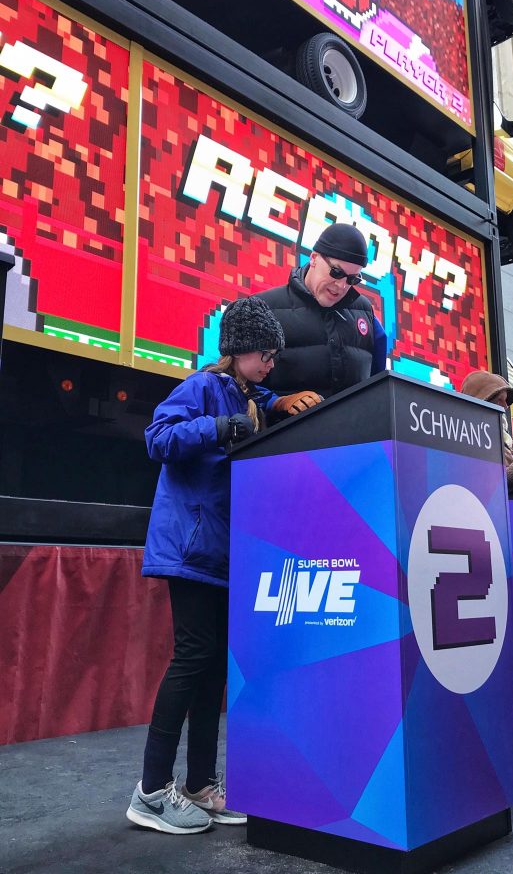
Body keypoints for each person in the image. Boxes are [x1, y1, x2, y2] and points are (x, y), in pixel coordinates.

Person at [127, 297, 316, 834]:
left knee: (211, 668)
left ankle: (199, 784)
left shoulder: (250, 394)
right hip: (190, 551)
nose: (271, 364)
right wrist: (217, 428)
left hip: (225, 554)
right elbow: (157, 440)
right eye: (265, 355)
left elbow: (265, 402)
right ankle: (150, 791)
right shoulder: (200, 389)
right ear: (237, 351)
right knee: (191, 660)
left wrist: (277, 405)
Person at [255, 222, 387, 403]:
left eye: (352, 279)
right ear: (314, 258)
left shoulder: (366, 315)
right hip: (284, 429)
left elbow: (379, 391)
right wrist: (278, 403)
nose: (341, 286)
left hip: (353, 430)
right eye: (336, 272)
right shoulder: (264, 308)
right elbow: (236, 386)